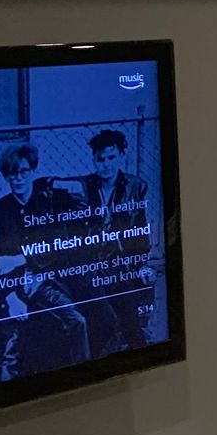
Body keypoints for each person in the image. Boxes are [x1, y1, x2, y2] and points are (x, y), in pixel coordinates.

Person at [0, 141, 97, 379]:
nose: (18, 179)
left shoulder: (47, 203)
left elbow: (55, 248)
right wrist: (11, 297)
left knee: (77, 321)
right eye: (12, 174)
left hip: (44, 281)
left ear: (32, 171)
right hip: (9, 289)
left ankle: (84, 378)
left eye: (23, 172)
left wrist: (21, 260)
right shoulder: (1, 210)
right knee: (11, 348)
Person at [80, 129, 154, 350]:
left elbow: (140, 229)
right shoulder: (84, 187)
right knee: (104, 321)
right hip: (93, 266)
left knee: (130, 321)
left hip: (121, 265)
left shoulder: (136, 186)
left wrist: (141, 263)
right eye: (100, 159)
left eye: (111, 158)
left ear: (122, 156)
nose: (105, 165)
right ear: (94, 159)